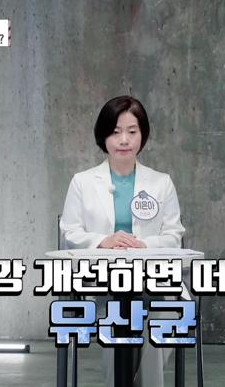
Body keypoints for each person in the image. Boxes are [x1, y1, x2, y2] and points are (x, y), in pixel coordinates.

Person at [60, 95, 185, 387]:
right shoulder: (82, 182)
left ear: (143, 135)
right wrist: (103, 240)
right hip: (101, 281)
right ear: (103, 136)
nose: (124, 140)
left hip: (152, 279)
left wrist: (145, 245)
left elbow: (174, 234)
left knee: (164, 314)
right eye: (115, 132)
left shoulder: (161, 182)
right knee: (117, 315)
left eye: (132, 131)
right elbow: (70, 233)